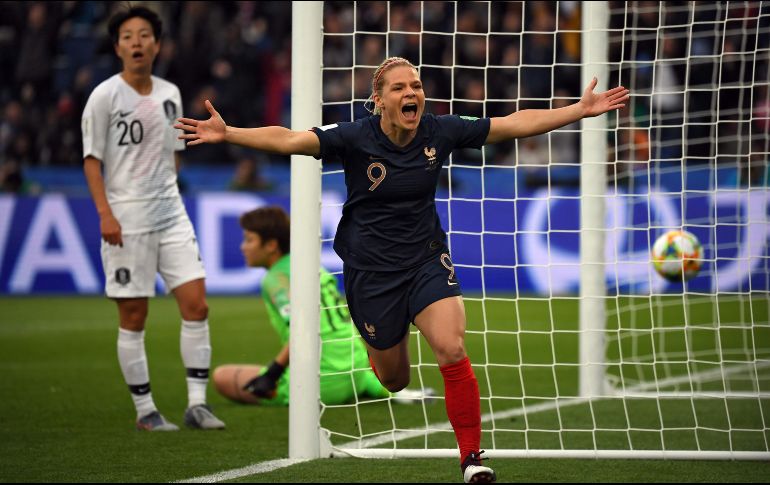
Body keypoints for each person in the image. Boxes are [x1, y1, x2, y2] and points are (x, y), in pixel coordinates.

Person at [176, 56, 628, 482]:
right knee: (394, 379)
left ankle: (471, 457)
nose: (411, 92)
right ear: (379, 100)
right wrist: (230, 133)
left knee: (451, 348)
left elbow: (510, 125)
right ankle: (386, 343)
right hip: (371, 273)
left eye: (415, 85)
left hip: (426, 258)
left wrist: (577, 110)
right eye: (399, 87)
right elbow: (291, 139)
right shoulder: (355, 136)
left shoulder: (440, 130)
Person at [81, 6, 225, 432]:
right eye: (128, 36)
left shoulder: (170, 93)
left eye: (145, 35)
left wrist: (168, 188)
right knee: (134, 317)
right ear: (117, 47)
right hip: (126, 221)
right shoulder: (105, 96)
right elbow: (92, 161)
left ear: (157, 45)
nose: (137, 42)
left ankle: (197, 405)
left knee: (197, 305)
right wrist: (105, 213)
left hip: (171, 214)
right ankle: (145, 410)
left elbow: (173, 153)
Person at [212, 205, 431, 406]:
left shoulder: (277, 279)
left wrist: (272, 373)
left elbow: (302, 329)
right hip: (357, 370)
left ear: (270, 245)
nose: (243, 247)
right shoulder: (312, 266)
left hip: (321, 382)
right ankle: (393, 393)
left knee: (222, 377)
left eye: (249, 240)